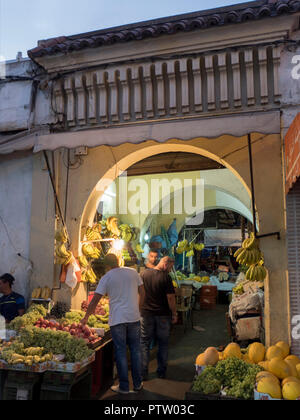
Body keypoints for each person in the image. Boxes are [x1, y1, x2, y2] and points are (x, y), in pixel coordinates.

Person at [81, 254, 144, 395]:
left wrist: (85, 317)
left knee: (121, 352)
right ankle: (138, 384)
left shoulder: (107, 277)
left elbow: (95, 300)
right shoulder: (133, 272)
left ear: (107, 266)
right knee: (135, 350)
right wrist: (139, 308)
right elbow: (143, 292)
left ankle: (124, 387)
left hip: (117, 320)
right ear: (118, 261)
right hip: (134, 318)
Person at [140, 256, 178, 380]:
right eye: (170, 267)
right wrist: (174, 313)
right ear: (165, 264)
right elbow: (171, 298)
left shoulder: (144, 274)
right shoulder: (166, 277)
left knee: (144, 343)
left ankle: (143, 373)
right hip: (162, 315)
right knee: (163, 343)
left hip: (146, 314)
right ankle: (161, 371)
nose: (170, 270)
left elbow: (139, 293)